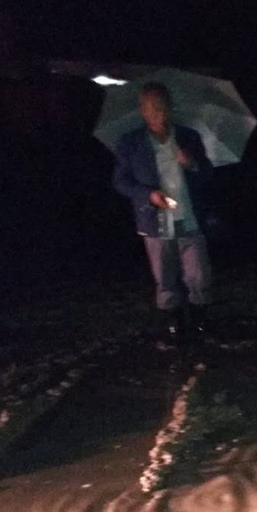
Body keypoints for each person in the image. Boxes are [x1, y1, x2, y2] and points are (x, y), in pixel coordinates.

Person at [113, 81, 214, 346]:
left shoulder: (188, 137)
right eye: (152, 107)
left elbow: (207, 174)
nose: (158, 112)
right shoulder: (130, 143)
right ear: (142, 110)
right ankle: (172, 321)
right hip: (154, 220)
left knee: (199, 275)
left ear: (171, 107)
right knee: (165, 277)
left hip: (190, 218)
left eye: (162, 106)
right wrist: (149, 195)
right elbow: (120, 181)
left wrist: (191, 163)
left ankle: (199, 317)